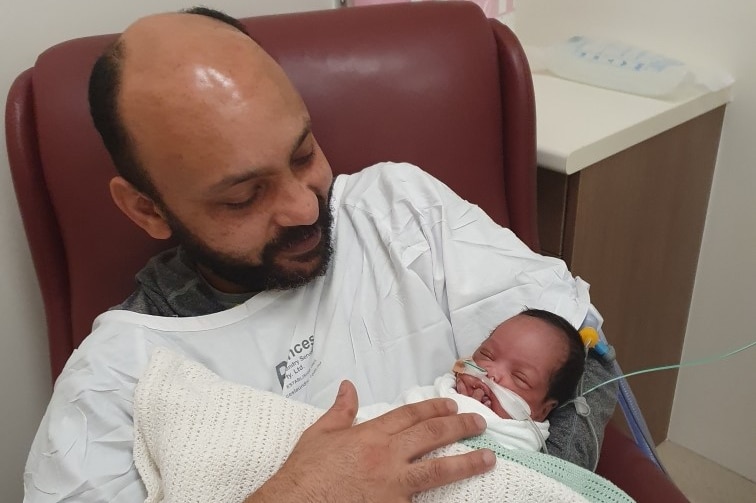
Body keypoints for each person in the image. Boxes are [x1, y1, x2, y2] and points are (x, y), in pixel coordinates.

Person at [22, 7, 618, 503]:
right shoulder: (119, 376)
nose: (306, 210)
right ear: (148, 210)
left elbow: (584, 357)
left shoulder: (402, 209)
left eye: (303, 154)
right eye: (245, 195)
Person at [358, 308, 587, 452]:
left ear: (543, 410)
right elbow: (378, 421)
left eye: (519, 377)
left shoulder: (522, 440)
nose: (490, 373)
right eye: (486, 354)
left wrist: (472, 412)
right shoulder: (436, 392)